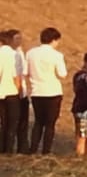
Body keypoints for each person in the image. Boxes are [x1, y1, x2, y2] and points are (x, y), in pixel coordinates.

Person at [25, 27, 68, 155]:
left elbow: (26, 72)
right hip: (52, 92)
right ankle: (46, 150)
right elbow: (62, 74)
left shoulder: (31, 53)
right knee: (50, 124)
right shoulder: (57, 55)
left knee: (38, 122)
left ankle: (33, 149)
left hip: (37, 91)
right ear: (53, 40)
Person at [0, 30, 21, 154]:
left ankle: (1, 148)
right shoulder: (14, 54)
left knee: (3, 122)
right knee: (12, 123)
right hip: (11, 92)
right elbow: (16, 75)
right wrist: (18, 90)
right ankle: (9, 150)